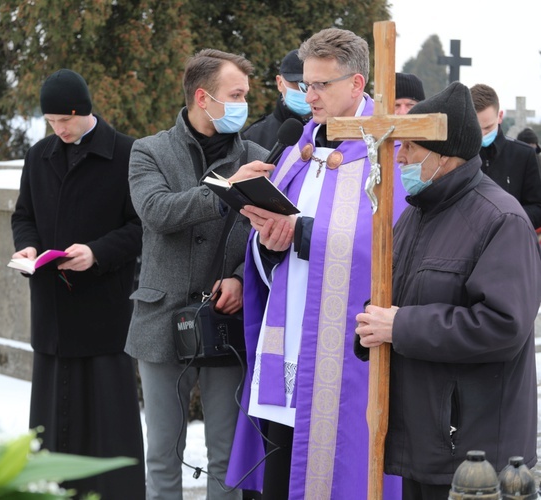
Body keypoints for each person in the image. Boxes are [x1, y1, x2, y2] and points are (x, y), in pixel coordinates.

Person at [226, 27, 404, 499]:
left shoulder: (387, 152)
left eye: (322, 84)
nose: (310, 95)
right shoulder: (300, 146)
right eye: (306, 84)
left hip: (342, 348)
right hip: (287, 340)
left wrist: (301, 233)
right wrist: (268, 240)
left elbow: (388, 248)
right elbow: (268, 253)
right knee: (281, 471)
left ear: (357, 84)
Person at [355, 81, 541, 500]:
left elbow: (502, 325)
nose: (399, 158)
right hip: (421, 441)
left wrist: (400, 325)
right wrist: (373, 322)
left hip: (473, 453)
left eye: (410, 150)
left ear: (445, 157)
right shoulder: (415, 215)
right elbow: (401, 296)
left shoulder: (501, 220)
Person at [126, 48, 269, 500]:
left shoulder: (258, 155)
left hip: (225, 319)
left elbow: (264, 235)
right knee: (164, 452)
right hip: (160, 319)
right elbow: (157, 212)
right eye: (237, 94)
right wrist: (229, 188)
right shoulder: (148, 151)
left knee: (226, 453)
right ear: (203, 98)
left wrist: (241, 276)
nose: (245, 104)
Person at [11, 69, 145, 499]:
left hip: (103, 312)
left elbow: (141, 226)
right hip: (51, 311)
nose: (59, 130)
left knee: (108, 419)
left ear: (84, 111)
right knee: (51, 420)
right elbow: (23, 215)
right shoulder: (39, 155)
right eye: (51, 122)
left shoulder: (126, 153)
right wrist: (29, 248)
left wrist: (97, 253)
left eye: (64, 121)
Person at [470, 83, 541, 228]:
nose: (482, 134)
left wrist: (508, 221)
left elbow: (537, 208)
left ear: (500, 116)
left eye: (488, 127)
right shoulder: (458, 155)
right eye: (476, 129)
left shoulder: (524, 155)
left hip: (511, 241)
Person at [242, 49, 312, 150]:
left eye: (313, 85)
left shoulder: (334, 132)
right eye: (298, 84)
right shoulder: (252, 137)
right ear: (280, 83)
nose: (307, 92)